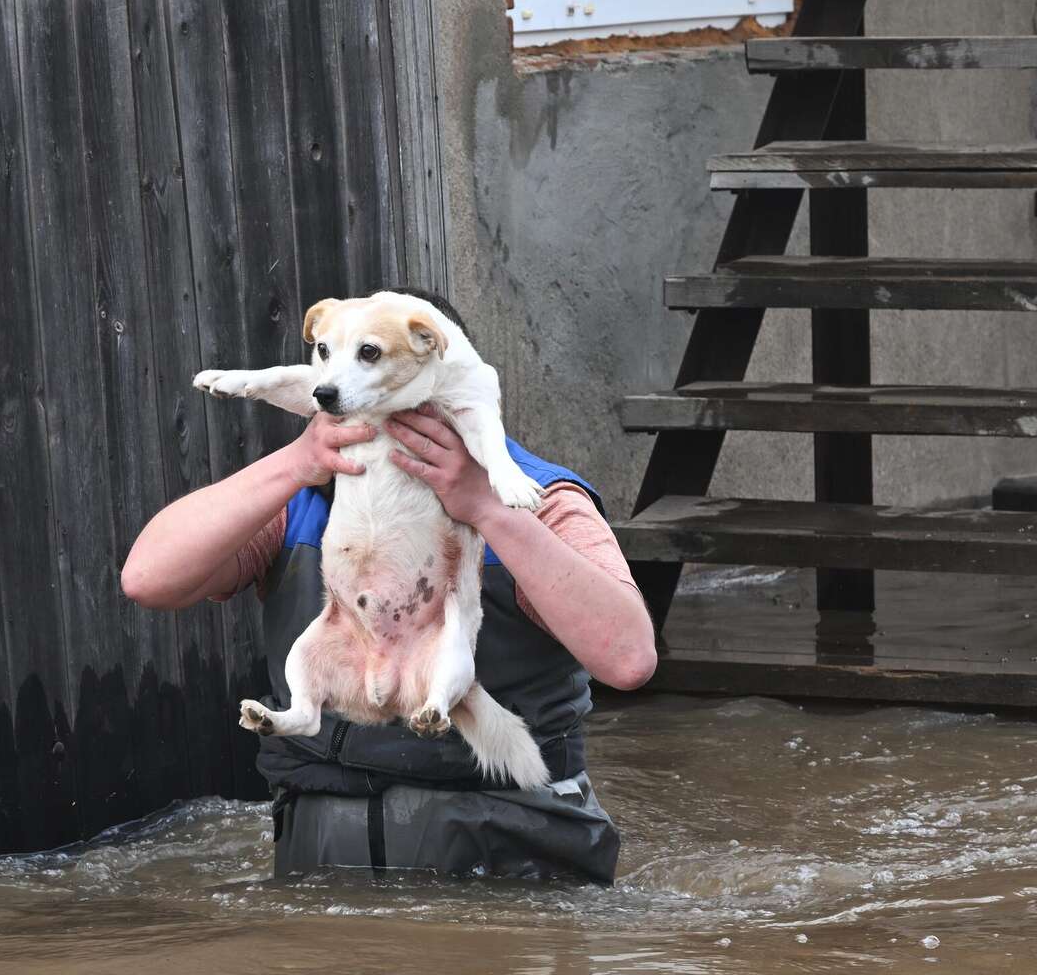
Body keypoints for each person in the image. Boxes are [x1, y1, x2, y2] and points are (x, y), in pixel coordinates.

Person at [120, 290, 656, 883]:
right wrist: (297, 463)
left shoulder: (540, 497)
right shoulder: (307, 491)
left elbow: (629, 659)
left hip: (511, 867)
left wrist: (485, 508)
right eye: (333, 358)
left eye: (372, 358)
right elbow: (148, 579)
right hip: (328, 875)